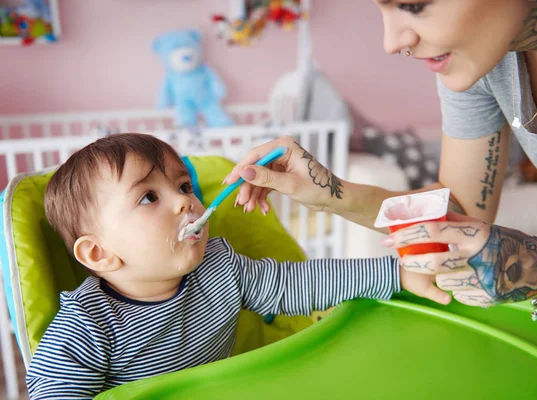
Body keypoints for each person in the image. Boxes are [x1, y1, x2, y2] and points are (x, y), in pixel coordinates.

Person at [224, 0, 537, 307]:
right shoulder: (485, 62)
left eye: (413, 6)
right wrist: (331, 194)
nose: (391, 41)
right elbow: (460, 212)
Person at [26, 133, 447, 399]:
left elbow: (298, 283)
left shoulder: (220, 267)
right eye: (148, 197)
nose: (184, 202)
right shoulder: (85, 326)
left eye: (183, 185)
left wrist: (397, 273)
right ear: (99, 254)